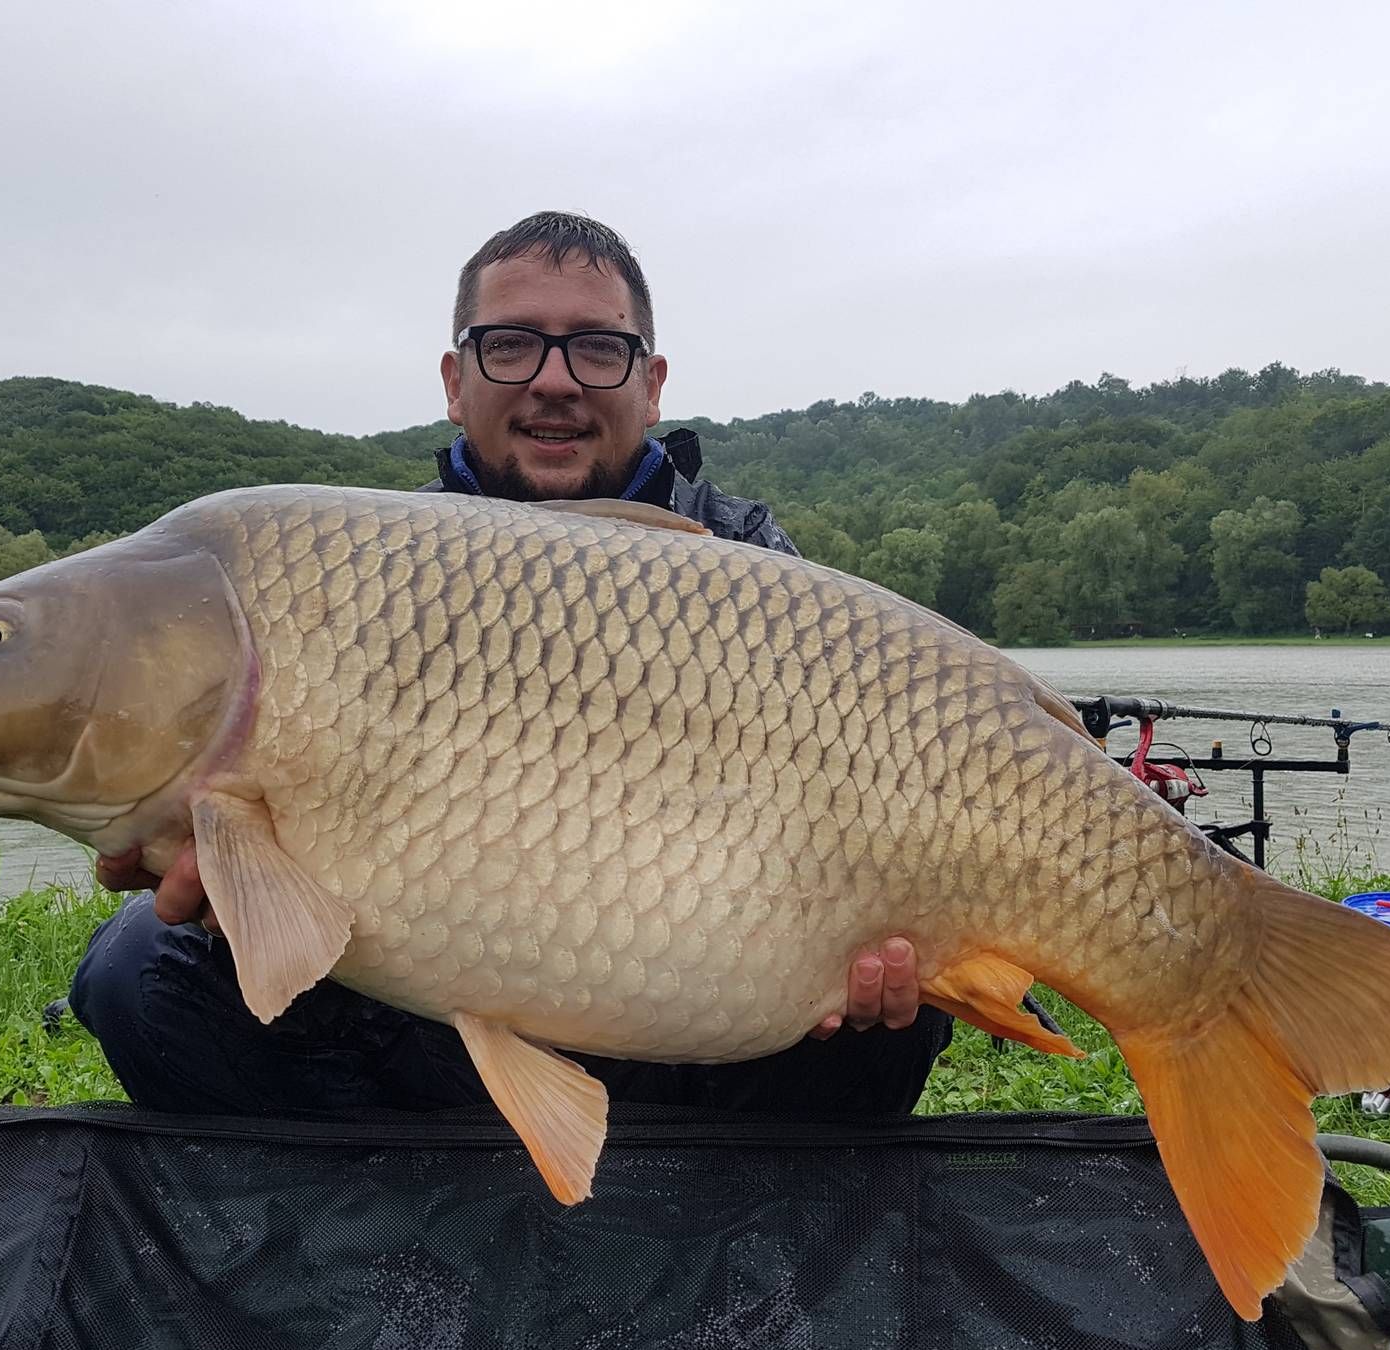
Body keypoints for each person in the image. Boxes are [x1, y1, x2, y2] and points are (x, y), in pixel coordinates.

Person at [69, 212, 952, 1118]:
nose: (555, 381)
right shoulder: (355, 569)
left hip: (704, 1012)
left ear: (650, 386)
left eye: (598, 350)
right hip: (428, 1011)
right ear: (457, 381)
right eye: (512, 346)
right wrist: (231, 871)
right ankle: (398, 1196)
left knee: (901, 1007)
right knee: (140, 969)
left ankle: (706, 1204)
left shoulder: (751, 565)